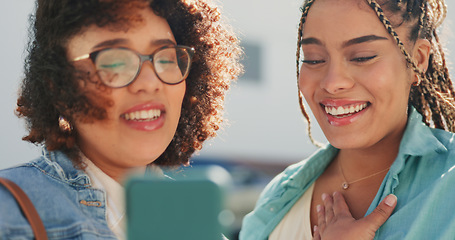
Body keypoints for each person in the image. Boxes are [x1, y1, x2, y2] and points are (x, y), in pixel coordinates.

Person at [0, 0, 242, 239]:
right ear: (59, 87)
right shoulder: (10, 213)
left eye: (167, 58)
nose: (149, 83)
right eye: (115, 61)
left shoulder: (199, 228)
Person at [240, 0, 455, 239]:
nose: (332, 83)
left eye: (363, 57)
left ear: (418, 60)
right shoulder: (280, 193)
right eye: (313, 59)